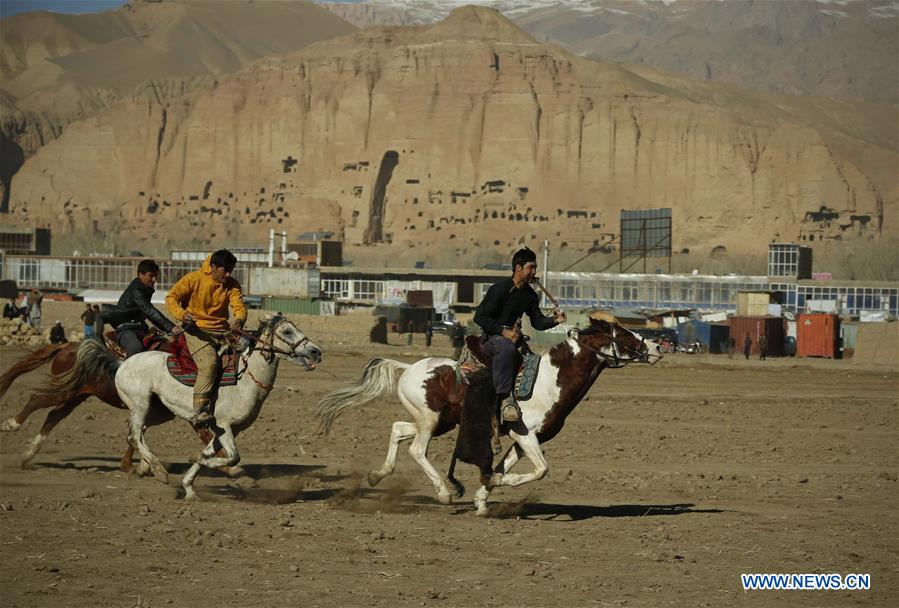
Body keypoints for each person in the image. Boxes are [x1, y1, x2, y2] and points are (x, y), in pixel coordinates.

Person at [473, 247, 565, 423]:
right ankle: (506, 399)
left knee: (535, 361)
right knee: (507, 349)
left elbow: (537, 322)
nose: (534, 272)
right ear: (518, 268)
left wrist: (555, 320)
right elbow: (480, 317)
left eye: (535, 268)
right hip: (492, 338)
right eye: (531, 267)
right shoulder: (499, 289)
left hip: (514, 338)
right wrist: (503, 331)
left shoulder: (530, 296)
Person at [166, 250, 247, 425]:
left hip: (222, 332)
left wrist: (239, 319)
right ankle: (200, 410)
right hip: (197, 331)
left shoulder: (232, 285)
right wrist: (182, 314)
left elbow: (239, 306)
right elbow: (171, 298)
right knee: (209, 364)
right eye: (225, 270)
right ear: (213, 267)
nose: (228, 274)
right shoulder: (193, 279)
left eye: (231, 270)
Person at [102, 259, 177, 357]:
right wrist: (172, 327)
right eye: (151, 275)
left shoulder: (145, 290)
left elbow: (149, 314)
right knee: (136, 349)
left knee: (166, 347)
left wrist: (170, 331)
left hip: (141, 329)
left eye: (156, 276)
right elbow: (149, 310)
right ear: (140, 274)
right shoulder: (137, 290)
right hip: (126, 330)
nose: (154, 279)